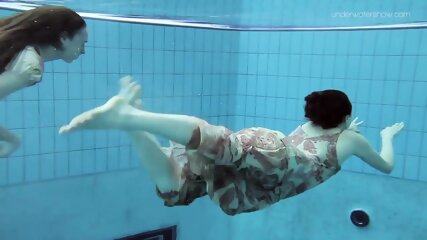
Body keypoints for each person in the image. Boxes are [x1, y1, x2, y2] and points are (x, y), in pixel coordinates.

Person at [58, 76, 404, 216]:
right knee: (191, 175)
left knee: (187, 178)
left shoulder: (312, 125)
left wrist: (346, 128)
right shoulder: (351, 139)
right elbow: (385, 164)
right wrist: (387, 137)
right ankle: (131, 119)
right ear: (344, 119)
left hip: (268, 149)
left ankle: (133, 121)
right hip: (268, 179)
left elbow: (327, 135)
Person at [0, 6, 88, 157]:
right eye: (82, 43)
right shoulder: (29, 67)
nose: (83, 51)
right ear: (63, 38)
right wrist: (12, 140)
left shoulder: (19, 50)